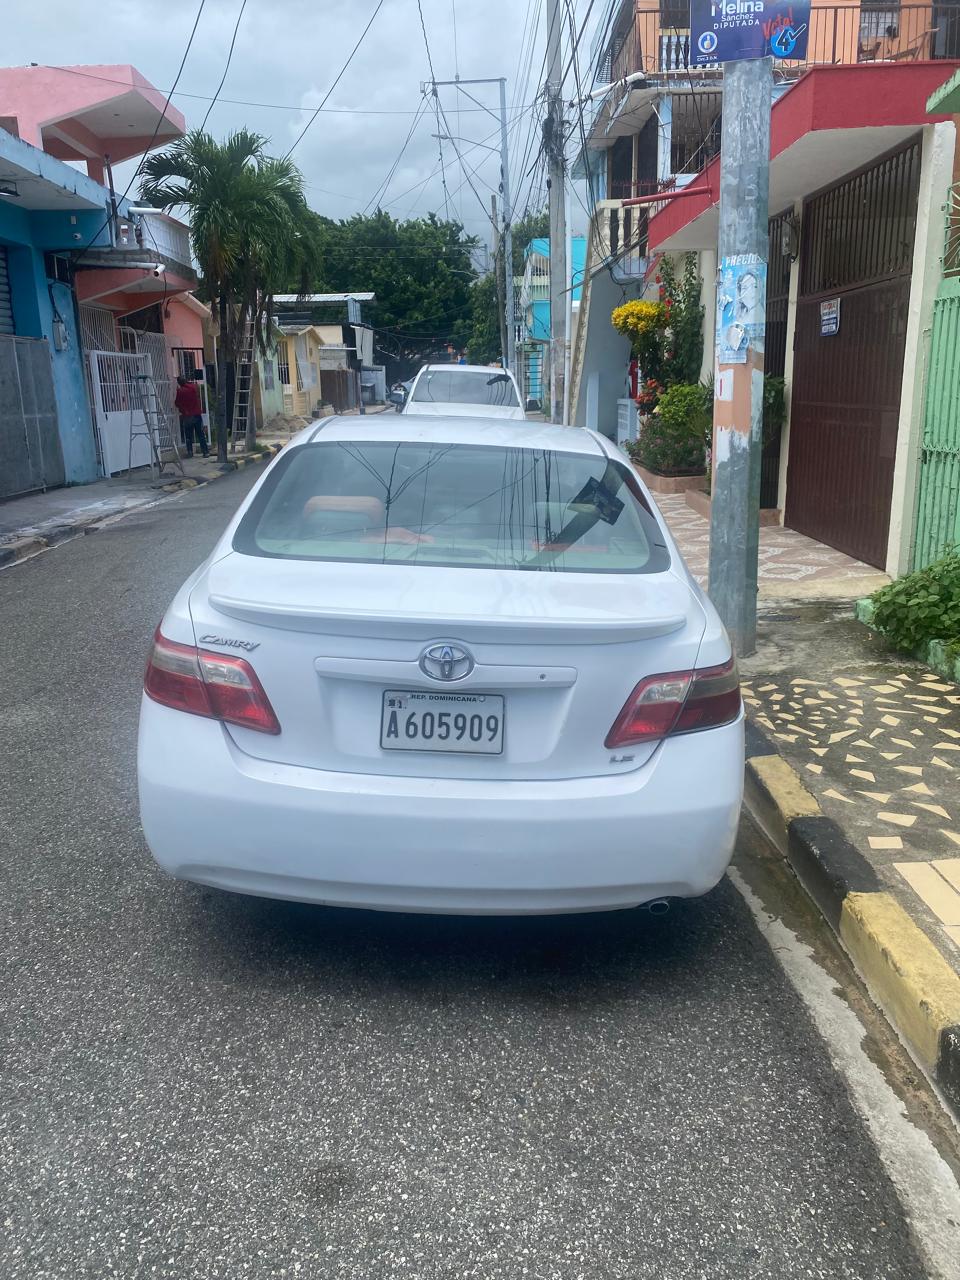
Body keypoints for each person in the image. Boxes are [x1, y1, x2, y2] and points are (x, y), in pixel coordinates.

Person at [174, 375, 208, 458]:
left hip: (187, 415)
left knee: (188, 435)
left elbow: (177, 403)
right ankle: (205, 452)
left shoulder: (180, 391)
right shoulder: (194, 387)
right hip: (196, 414)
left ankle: (190, 452)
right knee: (200, 434)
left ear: (179, 383)